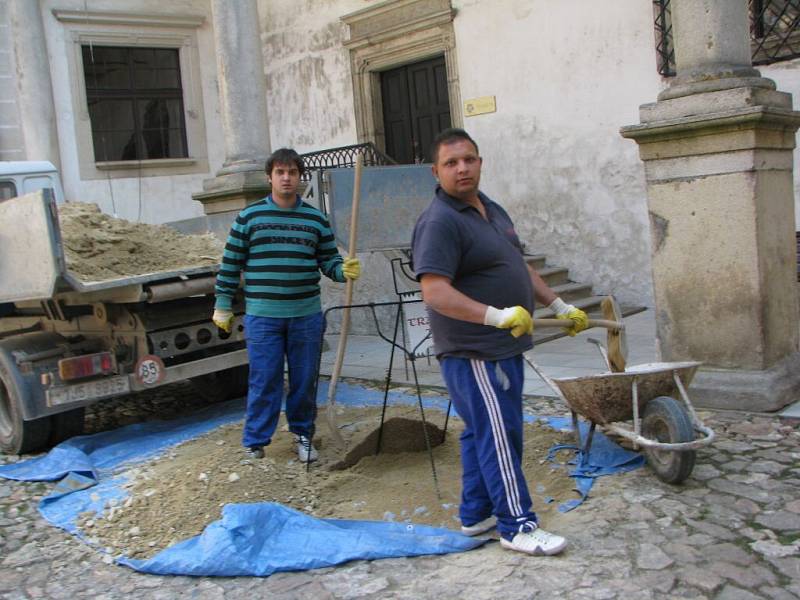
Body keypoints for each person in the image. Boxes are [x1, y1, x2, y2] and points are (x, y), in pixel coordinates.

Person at [411, 128, 588, 556]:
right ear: (436, 172)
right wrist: (496, 315)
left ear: (480, 162)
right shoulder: (439, 221)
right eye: (451, 163)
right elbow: (434, 292)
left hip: (505, 345)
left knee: (481, 433)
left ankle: (477, 515)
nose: (462, 168)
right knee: (500, 434)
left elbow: (517, 265)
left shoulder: (491, 210)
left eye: (469, 159)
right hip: (475, 349)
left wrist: (559, 304)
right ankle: (518, 525)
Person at [212, 148, 361, 462]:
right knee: (264, 379)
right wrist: (223, 304)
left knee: (305, 379)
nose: (286, 178)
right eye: (280, 172)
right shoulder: (249, 217)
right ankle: (255, 441)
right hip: (263, 317)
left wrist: (341, 269)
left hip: (305, 315)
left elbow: (328, 261)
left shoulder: (315, 220)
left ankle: (303, 434)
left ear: (300, 177)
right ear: (269, 178)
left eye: (292, 173)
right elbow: (229, 265)